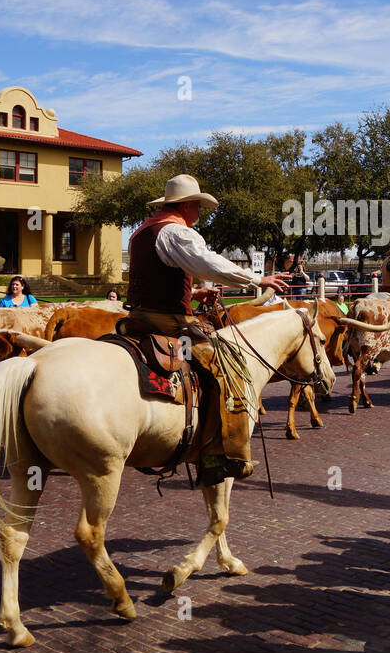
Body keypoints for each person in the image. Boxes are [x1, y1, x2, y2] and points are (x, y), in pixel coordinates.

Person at [119, 174, 289, 485]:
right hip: (167, 321)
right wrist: (256, 279)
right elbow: (206, 263)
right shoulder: (177, 232)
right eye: (198, 206)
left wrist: (194, 294)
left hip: (138, 317)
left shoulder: (141, 231)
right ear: (186, 205)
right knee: (227, 366)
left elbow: (155, 278)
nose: (199, 212)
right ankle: (219, 450)